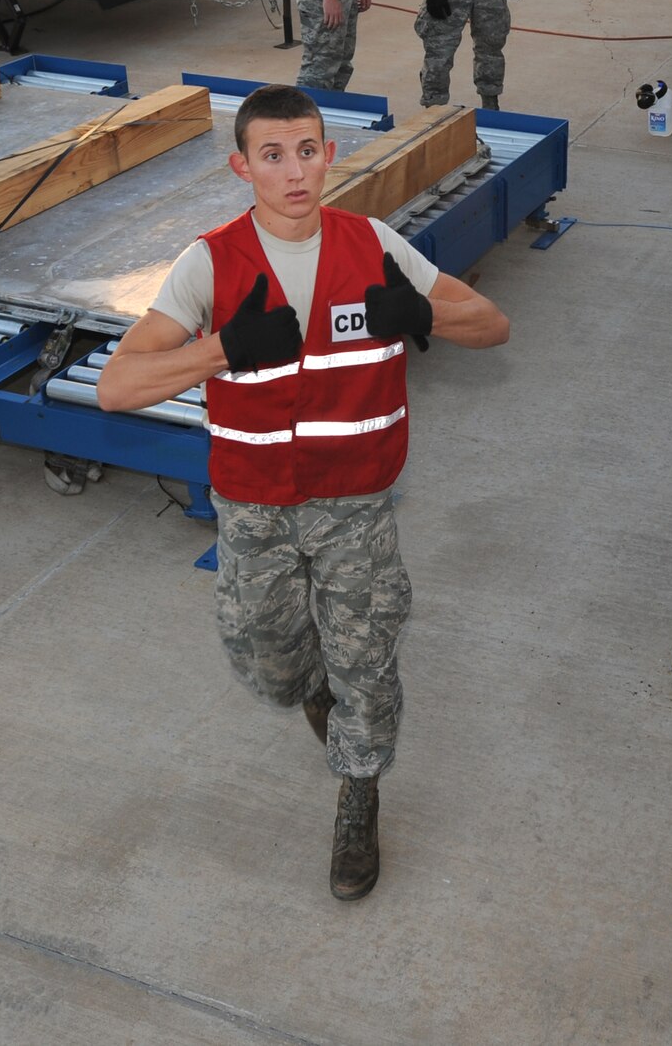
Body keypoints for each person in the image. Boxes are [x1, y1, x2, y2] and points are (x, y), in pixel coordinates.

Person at [96, 85, 510, 901]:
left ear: (328, 155)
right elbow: (118, 385)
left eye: (309, 150)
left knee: (368, 660)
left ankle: (359, 789)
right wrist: (224, 348)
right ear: (241, 165)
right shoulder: (209, 262)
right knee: (272, 667)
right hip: (253, 510)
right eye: (274, 155)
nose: (295, 172)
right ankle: (315, 690)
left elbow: (492, 323)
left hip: (357, 505)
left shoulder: (375, 245)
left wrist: (417, 309)